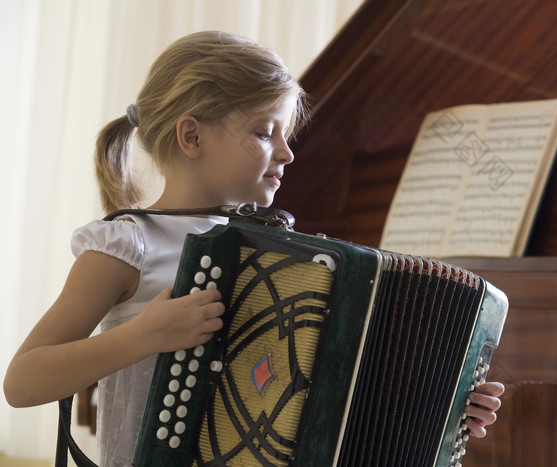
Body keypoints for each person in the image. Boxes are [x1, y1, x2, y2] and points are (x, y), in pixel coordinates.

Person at [3, 30, 504, 465]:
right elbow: (22, 382)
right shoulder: (128, 243)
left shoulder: (290, 259)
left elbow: (339, 380)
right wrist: (143, 337)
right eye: (265, 132)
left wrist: (445, 402)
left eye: (286, 134)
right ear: (191, 136)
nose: (287, 152)